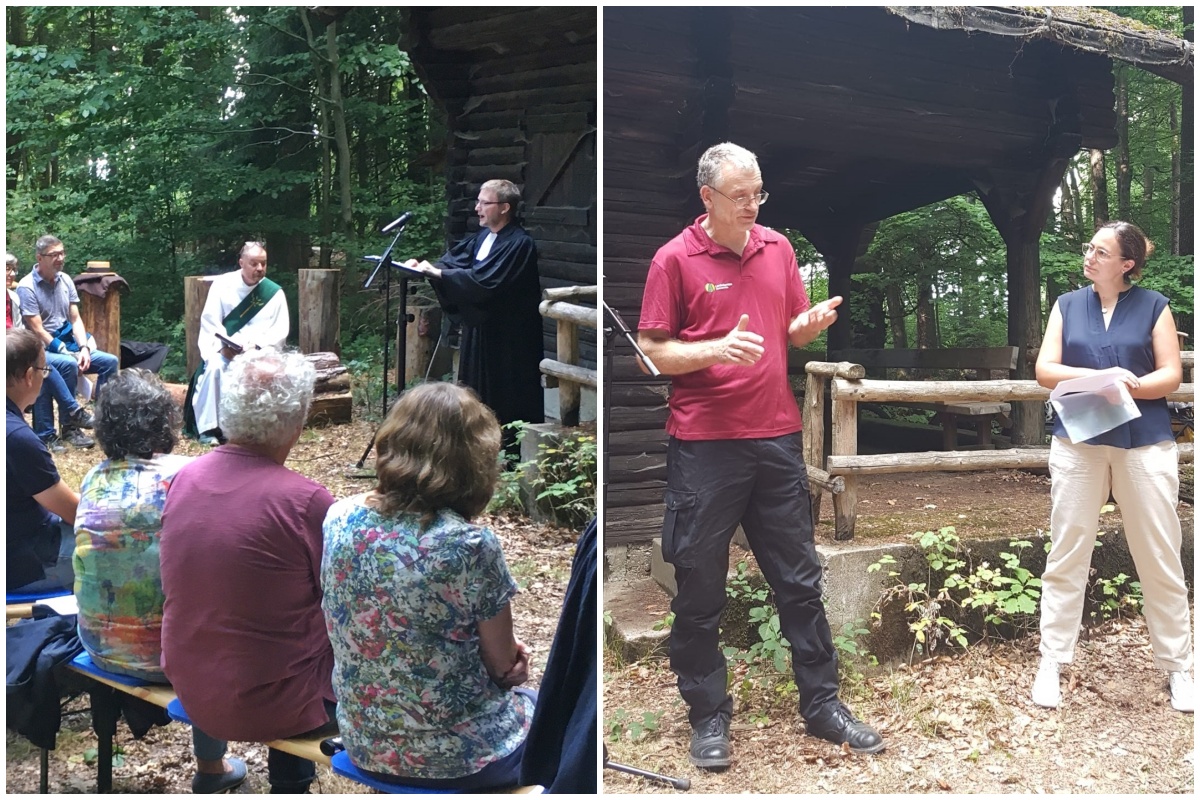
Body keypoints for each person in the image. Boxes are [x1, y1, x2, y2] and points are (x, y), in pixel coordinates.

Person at [636, 142, 884, 768]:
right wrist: (715, 349)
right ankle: (708, 715)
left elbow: (787, 328)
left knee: (799, 580)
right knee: (698, 586)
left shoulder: (779, 248)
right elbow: (653, 353)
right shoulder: (674, 260)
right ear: (707, 198)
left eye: (758, 192)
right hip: (704, 446)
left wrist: (807, 327)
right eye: (740, 195)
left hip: (776, 437)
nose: (752, 205)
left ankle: (822, 704)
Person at [321, 382, 536, 790]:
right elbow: (503, 667)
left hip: (364, 743)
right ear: (474, 461)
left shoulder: (339, 516)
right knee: (562, 719)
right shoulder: (469, 544)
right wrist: (515, 662)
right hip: (460, 758)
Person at [1033, 221, 1192, 713]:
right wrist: (1102, 376)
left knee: (1159, 555)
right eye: (1089, 248)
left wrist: (1131, 387)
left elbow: (1171, 374)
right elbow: (1045, 370)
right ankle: (1052, 662)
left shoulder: (1154, 305)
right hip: (1078, 442)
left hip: (1144, 443)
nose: (1090, 257)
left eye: (1101, 252)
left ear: (1126, 265)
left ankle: (1179, 665)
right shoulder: (1066, 305)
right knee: (1067, 552)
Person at [161, 349, 336, 793]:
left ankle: (212, 769)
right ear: (297, 424)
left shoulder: (184, 478)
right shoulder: (307, 503)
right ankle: (290, 787)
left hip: (192, 684)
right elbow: (344, 603)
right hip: (276, 703)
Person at [72, 368, 244, 793]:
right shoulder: (190, 475)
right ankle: (210, 768)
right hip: (173, 661)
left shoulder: (95, 477)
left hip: (99, 647)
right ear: (164, 423)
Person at [403, 179, 544, 439]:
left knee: (505, 395)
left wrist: (439, 273)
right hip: (479, 331)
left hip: (508, 339)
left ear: (504, 207)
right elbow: (452, 262)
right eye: (477, 201)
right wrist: (424, 266)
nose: (477, 208)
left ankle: (508, 453)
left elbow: (485, 282)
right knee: (474, 392)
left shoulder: (519, 243)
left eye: (484, 202)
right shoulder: (483, 238)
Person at [183, 241, 288, 444]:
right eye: (254, 264)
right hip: (226, 350)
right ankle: (210, 428)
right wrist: (223, 347)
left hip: (259, 352)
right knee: (214, 368)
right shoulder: (222, 285)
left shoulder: (274, 293)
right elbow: (211, 322)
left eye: (263, 264)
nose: (259, 269)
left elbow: (279, 331)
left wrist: (256, 347)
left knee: (261, 372)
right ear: (241, 263)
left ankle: (253, 430)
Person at [5, 328, 78, 593]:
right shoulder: (17, 438)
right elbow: (74, 512)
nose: (45, 377)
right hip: (24, 563)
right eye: (44, 370)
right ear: (28, 376)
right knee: (119, 551)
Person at [14, 239, 104, 449]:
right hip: (39, 347)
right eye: (54, 255)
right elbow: (36, 328)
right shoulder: (27, 287)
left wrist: (84, 348)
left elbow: (75, 319)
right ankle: (66, 422)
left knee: (110, 361)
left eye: (62, 253)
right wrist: (63, 351)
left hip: (68, 345)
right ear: (39, 258)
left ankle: (104, 419)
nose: (60, 258)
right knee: (54, 366)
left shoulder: (65, 280)